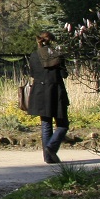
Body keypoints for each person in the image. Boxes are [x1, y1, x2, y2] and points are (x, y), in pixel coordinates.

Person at [25, 31, 70, 163]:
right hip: (56, 91)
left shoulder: (34, 55)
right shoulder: (57, 55)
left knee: (46, 124)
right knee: (62, 124)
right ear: (52, 41)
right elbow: (64, 74)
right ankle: (51, 147)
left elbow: (32, 73)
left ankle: (48, 157)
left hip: (39, 91)